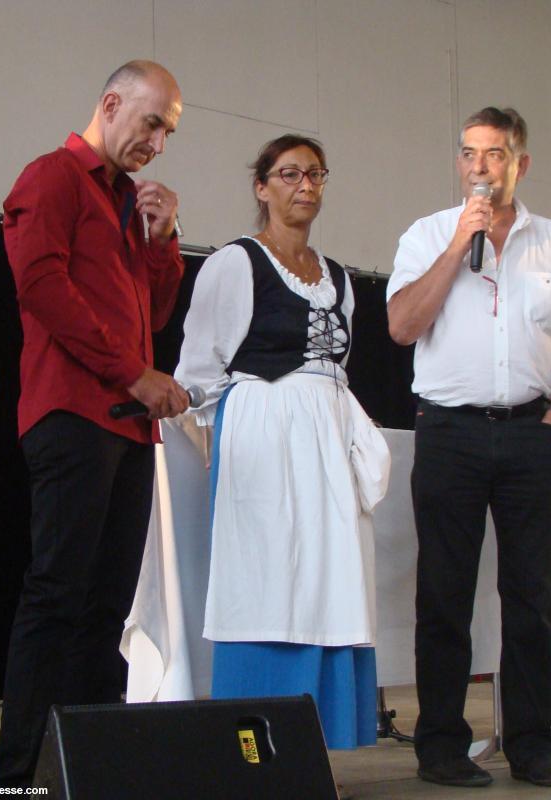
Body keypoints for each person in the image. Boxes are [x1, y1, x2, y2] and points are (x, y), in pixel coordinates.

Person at [387, 107, 551, 788]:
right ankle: (441, 747)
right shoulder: (426, 235)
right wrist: (458, 246)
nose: (479, 167)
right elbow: (400, 326)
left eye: (494, 154)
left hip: (529, 432)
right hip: (448, 431)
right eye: (469, 154)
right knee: (444, 594)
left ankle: (532, 745)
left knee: (531, 596)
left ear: (520, 163)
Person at [0, 60, 190, 787]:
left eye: (167, 132)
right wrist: (134, 375)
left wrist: (164, 240)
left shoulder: (123, 201)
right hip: (73, 415)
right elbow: (40, 286)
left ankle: (83, 768)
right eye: (150, 123)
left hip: (128, 426)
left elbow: (151, 315)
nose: (158, 144)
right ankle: (21, 774)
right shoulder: (51, 176)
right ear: (110, 103)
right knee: (58, 595)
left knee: (105, 604)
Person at [174, 134, 390, 750]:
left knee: (330, 583)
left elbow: (338, 370)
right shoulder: (236, 264)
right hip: (263, 437)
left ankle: (315, 750)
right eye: (289, 174)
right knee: (267, 584)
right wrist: (223, 452)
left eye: (315, 174)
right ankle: (256, 750)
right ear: (262, 186)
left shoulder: (340, 281)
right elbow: (198, 373)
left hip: (328, 439)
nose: (304, 186)